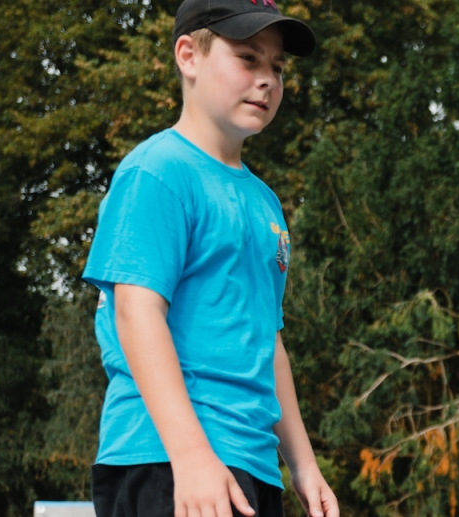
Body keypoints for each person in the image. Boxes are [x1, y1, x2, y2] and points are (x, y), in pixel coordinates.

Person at [81, 1, 337, 516]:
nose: (267, 80)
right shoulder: (157, 171)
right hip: (167, 460)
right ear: (188, 56)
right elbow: (137, 312)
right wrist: (192, 455)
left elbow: (269, 341)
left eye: (278, 68)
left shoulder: (264, 202)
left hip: (253, 464)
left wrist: (304, 466)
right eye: (248, 58)